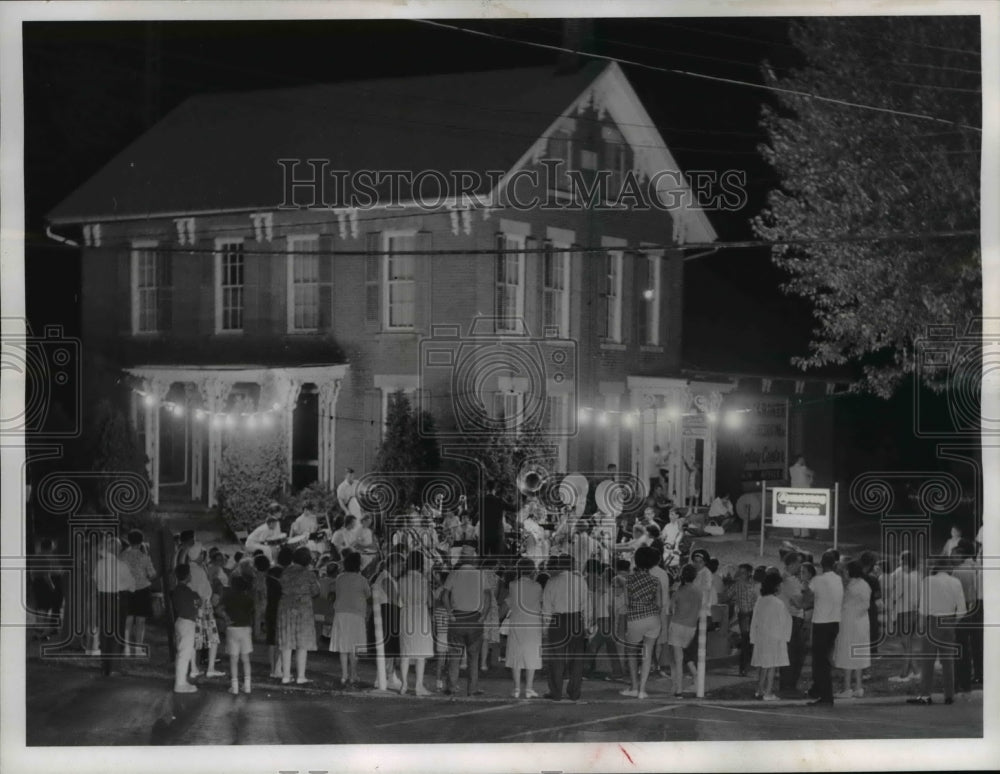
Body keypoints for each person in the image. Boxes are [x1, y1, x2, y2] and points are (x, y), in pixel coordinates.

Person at [908, 556, 966, 705]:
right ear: (948, 567)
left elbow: (923, 607)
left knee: (928, 660)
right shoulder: (955, 582)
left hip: (932, 621)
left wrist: (920, 625)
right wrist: (953, 622)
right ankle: (949, 695)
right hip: (949, 621)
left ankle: (926, 694)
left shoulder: (928, 581)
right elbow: (962, 610)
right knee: (948, 661)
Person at [541, 554, 592, 702]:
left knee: (557, 658)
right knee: (577, 659)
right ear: (573, 565)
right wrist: (587, 625)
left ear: (558, 565)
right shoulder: (580, 581)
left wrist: (546, 627)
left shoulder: (552, 581)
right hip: (576, 619)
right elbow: (586, 605)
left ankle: (556, 692)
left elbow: (546, 607)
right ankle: (574, 692)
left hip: (557, 620)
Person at [443, 545, 492, 696]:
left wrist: (450, 612)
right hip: (474, 618)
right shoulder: (480, 574)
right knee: (474, 657)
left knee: (455, 656)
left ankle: (451, 687)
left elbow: (444, 595)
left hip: (457, 618)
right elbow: (488, 596)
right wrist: (483, 615)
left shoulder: (454, 574)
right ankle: (472, 688)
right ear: (473, 559)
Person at [620, 546, 662, 700]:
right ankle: (643, 690)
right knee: (647, 653)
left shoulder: (628, 580)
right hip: (653, 619)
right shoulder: (655, 581)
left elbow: (626, 602)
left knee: (631, 652)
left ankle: (634, 686)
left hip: (635, 619)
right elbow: (659, 604)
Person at [276, 546, 321, 685]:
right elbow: (316, 591)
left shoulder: (284, 572)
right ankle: (301, 676)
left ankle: (285, 675)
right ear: (307, 560)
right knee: (303, 643)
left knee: (287, 643)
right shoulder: (309, 574)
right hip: (303, 610)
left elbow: (280, 588)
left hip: (286, 608)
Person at [93, 534, 135, 676]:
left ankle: (105, 665)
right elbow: (132, 585)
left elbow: (95, 580)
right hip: (118, 598)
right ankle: (114, 667)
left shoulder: (100, 563)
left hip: (103, 598)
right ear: (117, 550)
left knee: (105, 631)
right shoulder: (121, 565)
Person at [806, 549, 843, 705]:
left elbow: (806, 600)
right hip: (835, 622)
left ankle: (825, 695)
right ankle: (820, 690)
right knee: (824, 659)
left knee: (819, 662)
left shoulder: (817, 580)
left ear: (821, 564)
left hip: (821, 622)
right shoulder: (839, 579)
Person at [329, 551, 371, 687]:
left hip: (341, 614)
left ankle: (344, 675)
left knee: (343, 646)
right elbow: (368, 594)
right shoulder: (362, 579)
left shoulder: (340, 578)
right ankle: (353, 675)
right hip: (356, 614)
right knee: (354, 647)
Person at [750, 572, 792, 701]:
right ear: (776, 587)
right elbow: (786, 621)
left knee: (764, 665)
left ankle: (760, 689)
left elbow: (754, 620)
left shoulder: (760, 601)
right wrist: (785, 638)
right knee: (772, 666)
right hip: (774, 638)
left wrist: (753, 638)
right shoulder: (778, 603)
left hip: (761, 637)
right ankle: (768, 692)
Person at [833, 560, 872, 698]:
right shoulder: (864, 584)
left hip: (849, 622)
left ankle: (847, 688)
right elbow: (866, 604)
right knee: (858, 653)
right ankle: (858, 687)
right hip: (861, 623)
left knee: (847, 653)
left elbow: (842, 600)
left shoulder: (851, 585)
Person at [398, 551, 434, 695]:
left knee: (406, 652)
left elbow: (398, 599)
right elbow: (430, 601)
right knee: (421, 653)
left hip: (406, 614)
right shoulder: (424, 580)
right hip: (421, 615)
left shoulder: (401, 579)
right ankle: (419, 686)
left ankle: (404, 684)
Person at [186, 543, 223, 679]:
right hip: (204, 605)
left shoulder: (189, 568)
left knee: (193, 638)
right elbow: (205, 591)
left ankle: (194, 668)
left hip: (192, 606)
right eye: (202, 554)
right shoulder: (200, 570)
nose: (204, 556)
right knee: (213, 638)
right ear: (198, 555)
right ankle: (211, 668)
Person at [119, 530, 157, 658]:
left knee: (128, 620)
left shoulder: (122, 556)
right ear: (141, 541)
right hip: (142, 590)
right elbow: (152, 575)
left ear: (129, 540)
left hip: (127, 589)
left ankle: (126, 648)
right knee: (141, 621)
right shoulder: (144, 557)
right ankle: (138, 648)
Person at [584, 560, 623, 682]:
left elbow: (608, 609)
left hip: (604, 622)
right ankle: (617, 672)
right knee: (610, 648)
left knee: (593, 647)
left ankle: (584, 671)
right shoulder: (608, 592)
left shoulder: (607, 593)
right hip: (604, 622)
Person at [950, 540, 980, 694]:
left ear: (960, 555)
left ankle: (958, 681)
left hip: (960, 611)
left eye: (954, 555)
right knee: (969, 646)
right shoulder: (973, 567)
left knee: (959, 646)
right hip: (972, 608)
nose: (951, 557)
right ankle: (967, 680)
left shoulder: (958, 571)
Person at [886, 550, 921, 683]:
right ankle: (916, 671)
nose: (899, 562)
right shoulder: (918, 575)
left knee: (905, 644)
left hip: (903, 613)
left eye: (900, 560)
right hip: (914, 612)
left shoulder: (904, 578)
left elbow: (895, 595)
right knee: (909, 643)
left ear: (905, 562)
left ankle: (904, 674)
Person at [668, 564, 702, 697]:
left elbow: (670, 608)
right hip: (691, 627)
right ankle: (697, 678)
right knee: (686, 656)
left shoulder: (679, 591)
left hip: (677, 625)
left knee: (677, 659)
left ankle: (678, 688)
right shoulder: (699, 591)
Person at [373, 552, 406, 691]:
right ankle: (384, 678)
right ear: (393, 564)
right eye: (400, 566)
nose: (401, 570)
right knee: (388, 648)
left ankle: (390, 676)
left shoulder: (386, 577)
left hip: (386, 614)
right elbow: (394, 600)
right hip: (388, 614)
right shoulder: (386, 578)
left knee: (390, 649)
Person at [221, 565, 255, 695]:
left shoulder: (228, 596)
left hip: (232, 629)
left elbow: (219, 609)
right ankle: (247, 686)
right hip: (245, 629)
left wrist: (227, 618)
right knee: (246, 659)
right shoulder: (248, 599)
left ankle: (234, 686)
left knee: (233, 659)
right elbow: (251, 612)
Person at [777, 552, 807, 691]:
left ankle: (789, 685)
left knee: (795, 653)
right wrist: (808, 597)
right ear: (792, 563)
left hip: (791, 618)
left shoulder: (789, 579)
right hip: (792, 619)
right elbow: (799, 603)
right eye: (798, 562)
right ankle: (788, 686)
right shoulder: (789, 581)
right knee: (794, 653)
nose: (800, 566)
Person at [170, 564, 199, 693]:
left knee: (182, 652)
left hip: (180, 621)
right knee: (184, 654)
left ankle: (181, 680)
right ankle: (180, 684)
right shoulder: (190, 592)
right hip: (188, 623)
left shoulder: (176, 590)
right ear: (188, 576)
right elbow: (198, 604)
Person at [266, 546, 292, 679]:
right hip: (279, 612)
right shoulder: (283, 578)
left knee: (272, 641)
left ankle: (273, 668)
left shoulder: (270, 576)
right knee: (280, 642)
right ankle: (277, 669)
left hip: (270, 610)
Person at [728, 563, 758, 677]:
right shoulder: (738, 585)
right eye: (739, 573)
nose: (741, 575)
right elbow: (727, 595)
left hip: (752, 615)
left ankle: (746, 666)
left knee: (749, 640)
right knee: (746, 640)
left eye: (743, 573)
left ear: (749, 573)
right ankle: (744, 667)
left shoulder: (754, 585)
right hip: (745, 615)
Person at [30, 538, 62, 640]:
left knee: (40, 608)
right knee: (44, 609)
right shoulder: (46, 559)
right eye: (52, 546)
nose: (54, 547)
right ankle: (40, 633)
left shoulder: (35, 557)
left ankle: (38, 632)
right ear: (49, 547)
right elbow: (46, 575)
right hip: (44, 584)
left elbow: (32, 573)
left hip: (36, 583)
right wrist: (52, 586)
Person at [858, 550, 882, 656]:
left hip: (856, 608)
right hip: (870, 608)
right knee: (872, 630)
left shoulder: (854, 577)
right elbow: (879, 601)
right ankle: (872, 652)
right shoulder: (873, 580)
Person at [481, 481, 512, 557]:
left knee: (482, 561)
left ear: (486, 489)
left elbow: (471, 514)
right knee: (495, 560)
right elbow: (514, 508)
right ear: (494, 490)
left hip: (485, 534)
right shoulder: (499, 500)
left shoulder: (481, 500)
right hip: (497, 534)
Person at [788, 456, 814, 538]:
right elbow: (812, 473)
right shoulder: (804, 468)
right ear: (799, 460)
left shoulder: (791, 469)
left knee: (795, 513)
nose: (804, 460)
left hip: (794, 494)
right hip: (804, 494)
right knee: (804, 513)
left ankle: (796, 533)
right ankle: (804, 534)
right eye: (802, 459)